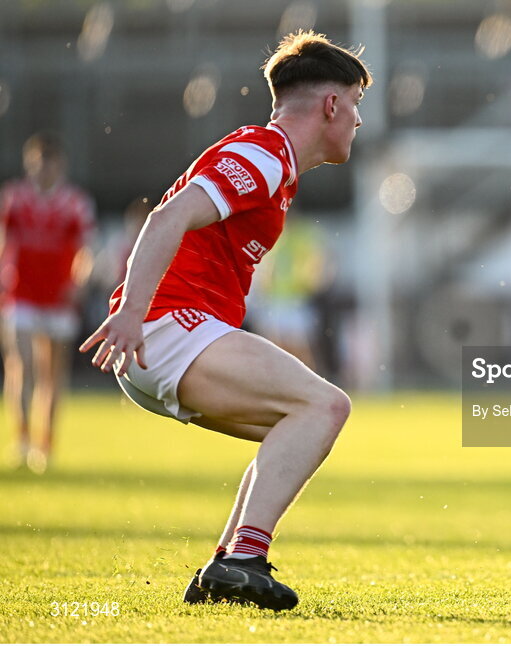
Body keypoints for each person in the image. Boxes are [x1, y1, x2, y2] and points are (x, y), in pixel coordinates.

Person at [79, 31, 372, 611]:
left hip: (171, 335)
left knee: (301, 426)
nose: (359, 121)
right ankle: (242, 560)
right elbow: (167, 217)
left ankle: (226, 563)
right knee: (325, 406)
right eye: (356, 105)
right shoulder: (264, 154)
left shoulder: (273, 164)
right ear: (331, 106)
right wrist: (134, 314)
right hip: (167, 329)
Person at [1, 132, 95, 473]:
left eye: (49, 164)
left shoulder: (75, 203)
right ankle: (23, 437)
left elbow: (86, 250)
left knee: (51, 374)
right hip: (20, 293)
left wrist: (78, 281)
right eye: (37, 164)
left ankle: (46, 442)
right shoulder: (14, 199)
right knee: (20, 364)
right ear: (30, 164)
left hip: (57, 297)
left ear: (60, 165)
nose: (43, 171)